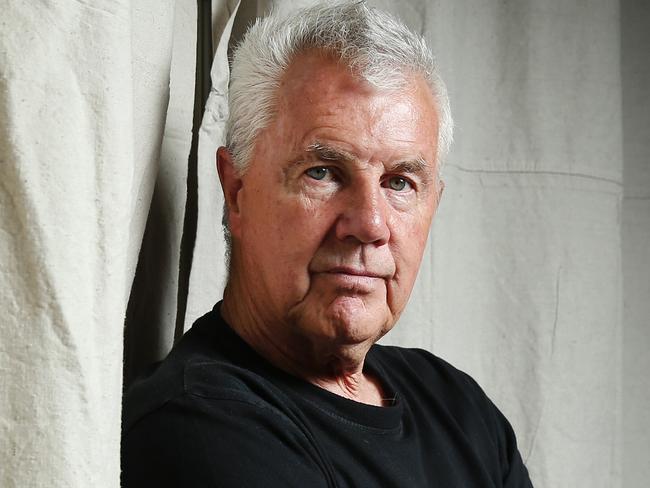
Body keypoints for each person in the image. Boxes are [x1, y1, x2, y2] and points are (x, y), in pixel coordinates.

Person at [122, 2, 533, 486]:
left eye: (400, 182)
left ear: (433, 205)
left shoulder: (459, 408)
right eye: (323, 172)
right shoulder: (195, 426)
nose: (370, 224)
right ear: (237, 192)